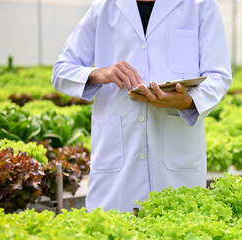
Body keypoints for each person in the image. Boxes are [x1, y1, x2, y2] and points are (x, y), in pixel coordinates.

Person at [52, 0, 231, 212]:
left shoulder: (199, 5)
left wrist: (188, 101)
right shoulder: (104, 7)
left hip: (176, 161)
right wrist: (99, 73)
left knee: (178, 227)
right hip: (116, 165)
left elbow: (219, 76)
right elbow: (61, 71)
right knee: (114, 230)